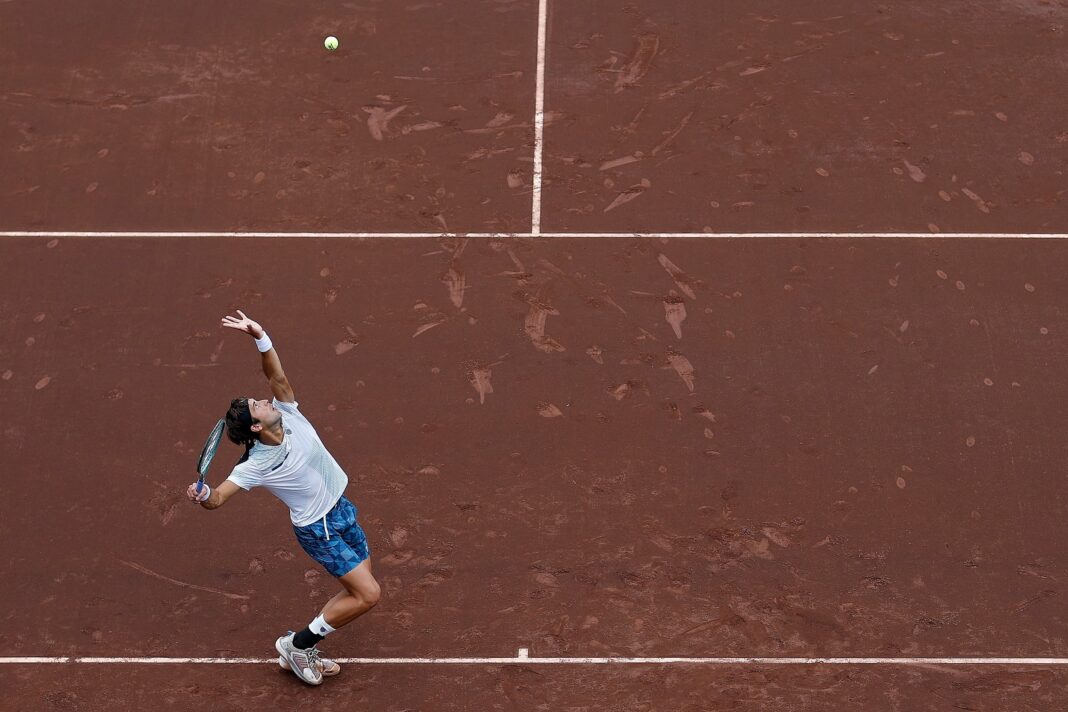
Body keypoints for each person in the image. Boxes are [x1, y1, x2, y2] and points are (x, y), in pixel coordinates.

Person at [185, 310, 381, 685]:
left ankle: (304, 646)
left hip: (341, 508)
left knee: (358, 590)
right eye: (259, 405)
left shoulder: (288, 412)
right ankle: (296, 645)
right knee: (369, 595)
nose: (266, 399)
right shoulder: (254, 465)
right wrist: (204, 493)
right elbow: (218, 499)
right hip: (317, 528)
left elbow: (275, 375)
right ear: (257, 426)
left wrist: (260, 336)